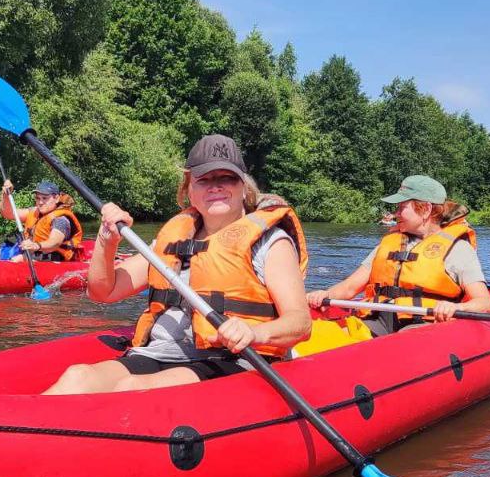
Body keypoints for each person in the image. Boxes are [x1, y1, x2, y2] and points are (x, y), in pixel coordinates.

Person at [44, 134, 311, 394]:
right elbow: (103, 292)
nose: (215, 186)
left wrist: (254, 333)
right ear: (188, 190)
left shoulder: (271, 242)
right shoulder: (171, 240)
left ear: (244, 187)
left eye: (226, 177)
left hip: (232, 359)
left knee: (133, 389)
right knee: (77, 377)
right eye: (204, 179)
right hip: (161, 353)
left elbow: (300, 323)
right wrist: (107, 240)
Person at [306, 175, 490, 336]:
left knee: (404, 341)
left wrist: (456, 307)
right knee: (336, 335)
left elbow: (483, 302)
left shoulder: (458, 249)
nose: (396, 214)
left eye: (402, 207)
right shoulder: (389, 243)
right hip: (379, 320)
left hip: (423, 325)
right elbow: (349, 288)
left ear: (425, 209)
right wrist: (325, 294)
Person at [0, 179, 83, 262]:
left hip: (50, 257)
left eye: (44, 198)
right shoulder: (34, 212)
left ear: (56, 198)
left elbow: (54, 243)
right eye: (38, 198)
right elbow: (8, 213)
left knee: (18, 259)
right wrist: (6, 195)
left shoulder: (61, 219)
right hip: (30, 252)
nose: (40, 202)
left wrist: (36, 246)